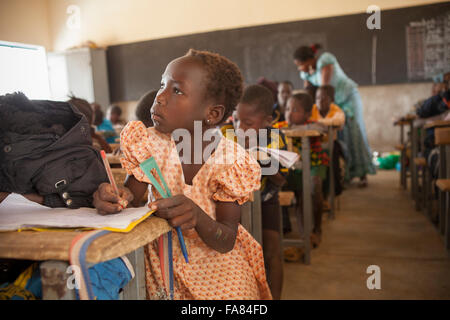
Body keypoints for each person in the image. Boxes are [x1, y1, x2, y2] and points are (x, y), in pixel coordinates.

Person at [92, 49, 272, 300]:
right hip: (160, 260)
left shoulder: (230, 160)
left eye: (176, 90)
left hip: (216, 265)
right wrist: (114, 195)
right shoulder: (150, 144)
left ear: (212, 114)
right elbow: (129, 198)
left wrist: (197, 216)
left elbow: (227, 239)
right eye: (162, 85)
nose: (160, 97)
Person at [222, 84, 287, 300]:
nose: (241, 127)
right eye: (237, 120)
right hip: (234, 206)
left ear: (268, 121)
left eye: (248, 123)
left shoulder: (275, 137)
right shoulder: (229, 136)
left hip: (267, 201)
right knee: (237, 256)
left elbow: (281, 180)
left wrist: (264, 158)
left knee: (271, 252)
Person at [293, 43, 375, 187]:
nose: (300, 68)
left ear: (308, 60)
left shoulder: (325, 60)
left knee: (355, 132)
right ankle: (346, 174)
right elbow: (308, 92)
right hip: (330, 102)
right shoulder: (305, 73)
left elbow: (325, 88)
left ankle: (362, 174)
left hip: (347, 98)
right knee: (340, 137)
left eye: (300, 64)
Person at [274, 93, 329, 249]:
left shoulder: (312, 124)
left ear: (306, 114)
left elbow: (322, 127)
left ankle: (317, 229)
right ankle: (304, 234)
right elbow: (269, 130)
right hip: (294, 169)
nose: (290, 113)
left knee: (314, 186)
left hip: (313, 165)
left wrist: (299, 128)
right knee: (298, 193)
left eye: (295, 110)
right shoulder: (282, 126)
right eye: (288, 109)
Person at [310, 85, 346, 206]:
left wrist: (317, 123)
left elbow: (339, 121)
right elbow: (307, 121)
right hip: (314, 144)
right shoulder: (313, 109)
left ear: (331, 100)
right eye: (317, 98)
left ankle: (328, 195)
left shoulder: (336, 110)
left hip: (331, 144)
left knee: (331, 162)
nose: (320, 101)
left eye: (324, 98)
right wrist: (324, 125)